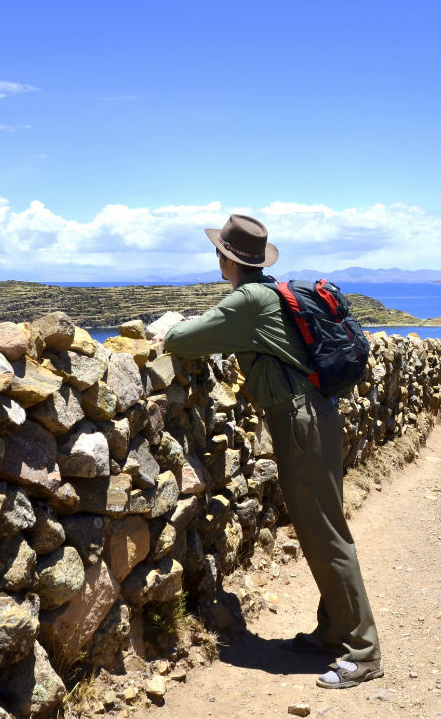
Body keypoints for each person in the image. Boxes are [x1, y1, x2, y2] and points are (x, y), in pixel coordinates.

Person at [161, 214, 383, 689]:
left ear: (228, 257)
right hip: (316, 413)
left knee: (323, 531)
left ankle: (362, 651)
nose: (216, 257)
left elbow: (182, 340)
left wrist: (171, 329)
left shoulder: (248, 300)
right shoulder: (270, 293)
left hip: (298, 421)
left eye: (219, 251)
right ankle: (332, 630)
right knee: (324, 524)